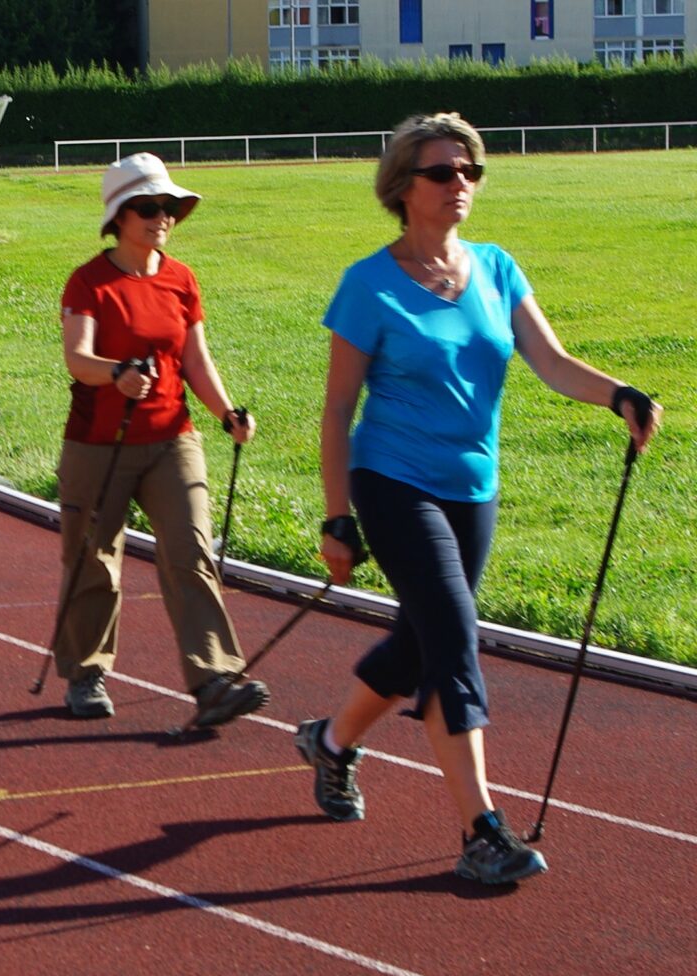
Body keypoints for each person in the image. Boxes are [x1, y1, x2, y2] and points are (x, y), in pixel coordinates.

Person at [296, 112, 661, 885]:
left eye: (471, 171)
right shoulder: (369, 284)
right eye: (441, 172)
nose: (460, 183)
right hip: (392, 481)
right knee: (455, 639)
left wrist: (617, 394)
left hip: (473, 486)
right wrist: (338, 515)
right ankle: (480, 829)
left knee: (423, 640)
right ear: (403, 187)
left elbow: (552, 362)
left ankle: (329, 741)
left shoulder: (496, 268)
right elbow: (336, 411)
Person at [54, 153, 267, 729]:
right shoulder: (89, 282)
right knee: (94, 560)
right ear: (119, 216)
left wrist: (226, 412)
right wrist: (117, 371)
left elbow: (195, 358)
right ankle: (87, 673)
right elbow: (78, 359)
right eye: (148, 208)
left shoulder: (181, 278)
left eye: (169, 208)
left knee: (191, 549)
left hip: (173, 437)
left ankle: (214, 678)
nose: (162, 217)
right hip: (100, 442)